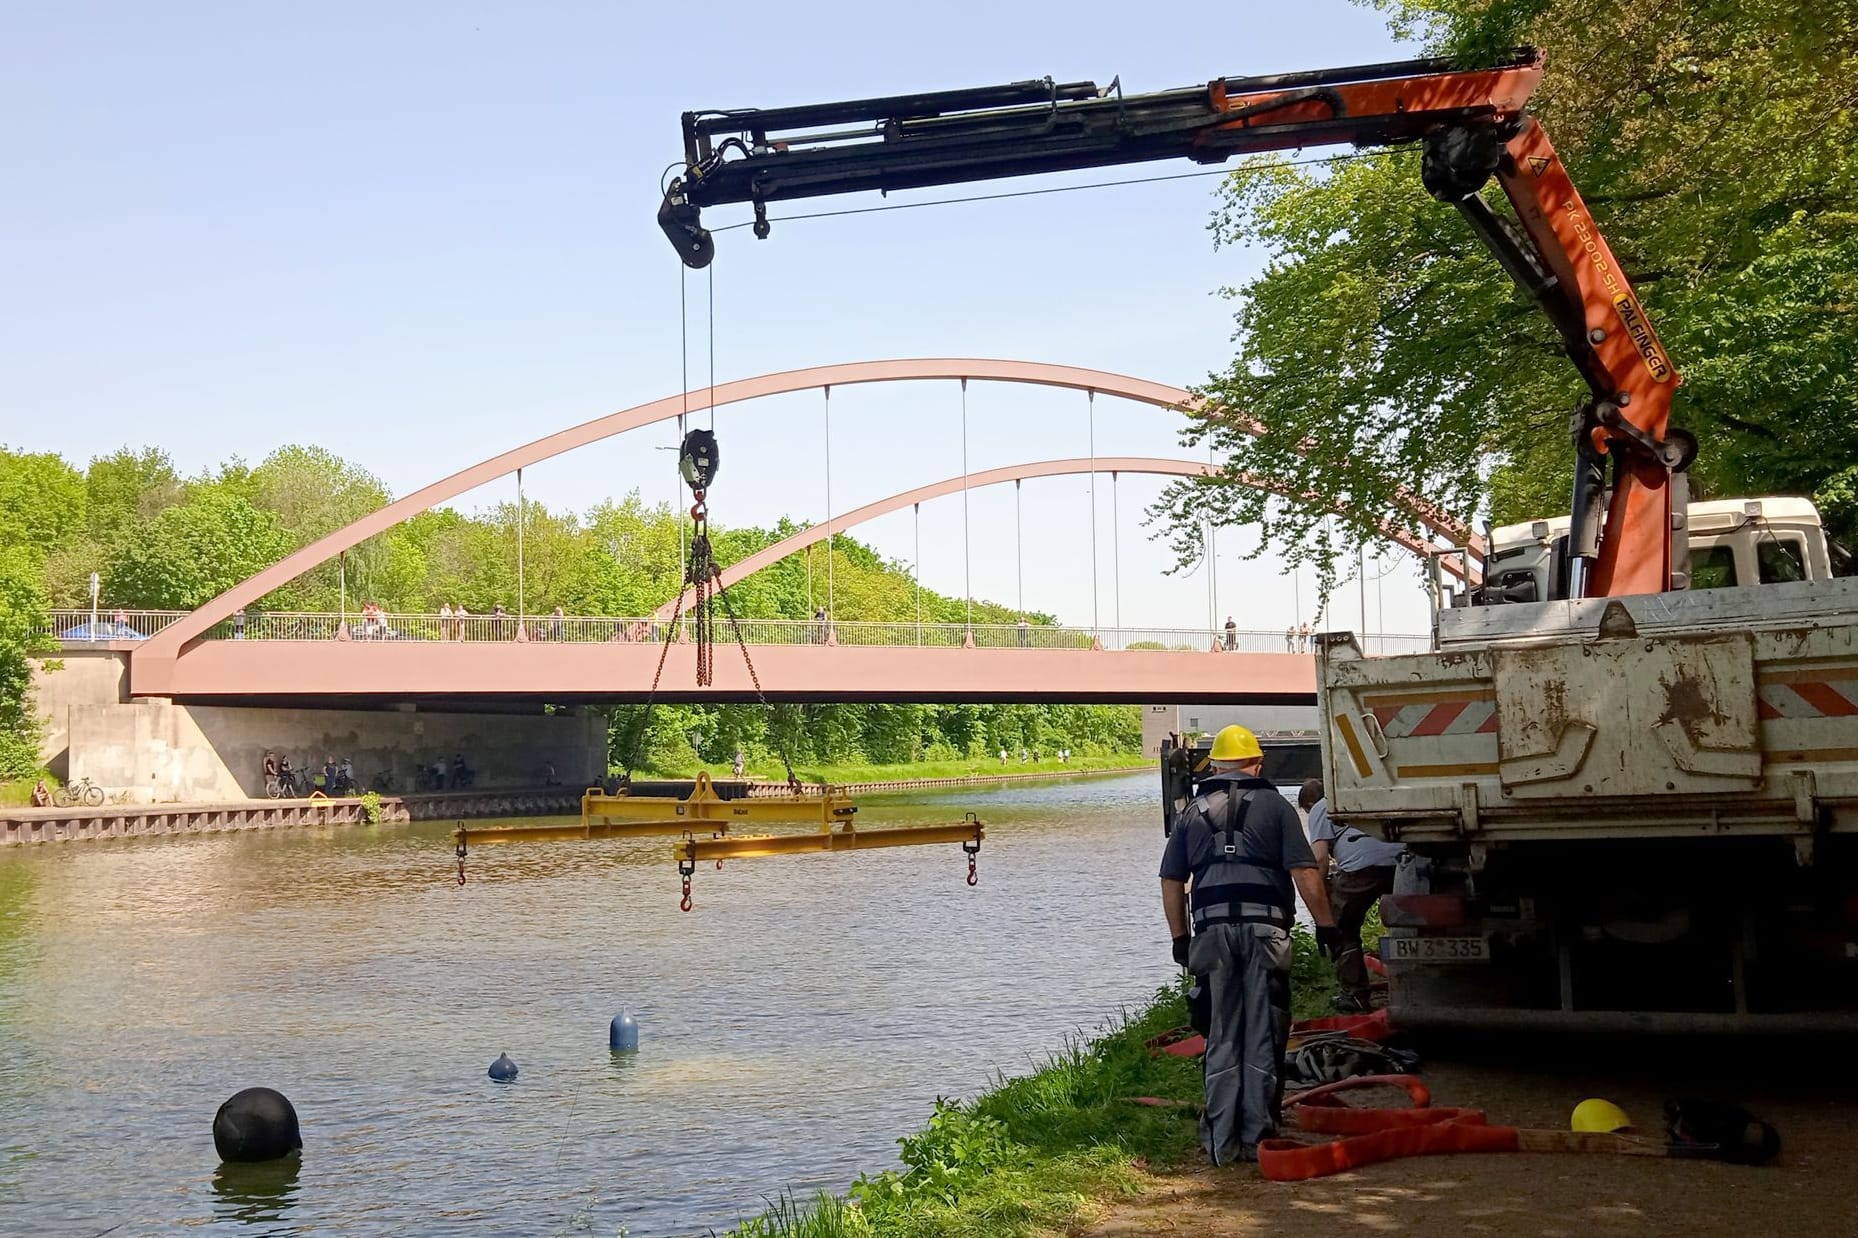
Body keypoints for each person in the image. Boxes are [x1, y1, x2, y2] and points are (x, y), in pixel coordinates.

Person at [1160, 723, 1342, 1166]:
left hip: (1212, 934)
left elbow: (1171, 880)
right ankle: (1259, 1136)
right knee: (1263, 1031)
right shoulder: (1277, 808)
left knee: (1221, 1032)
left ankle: (1222, 1141)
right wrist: (1327, 926)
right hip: (1266, 934)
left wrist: (1180, 938)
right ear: (1257, 763)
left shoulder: (1191, 813)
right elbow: (1305, 874)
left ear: (1216, 765)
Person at [1304, 778, 1406, 1014]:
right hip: (1402, 862)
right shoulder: (1379, 791)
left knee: (1343, 928)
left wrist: (1321, 902)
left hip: (1360, 869)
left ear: (1309, 803)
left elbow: (1319, 859)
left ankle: (1355, 995)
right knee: (1414, 923)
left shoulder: (1321, 807)